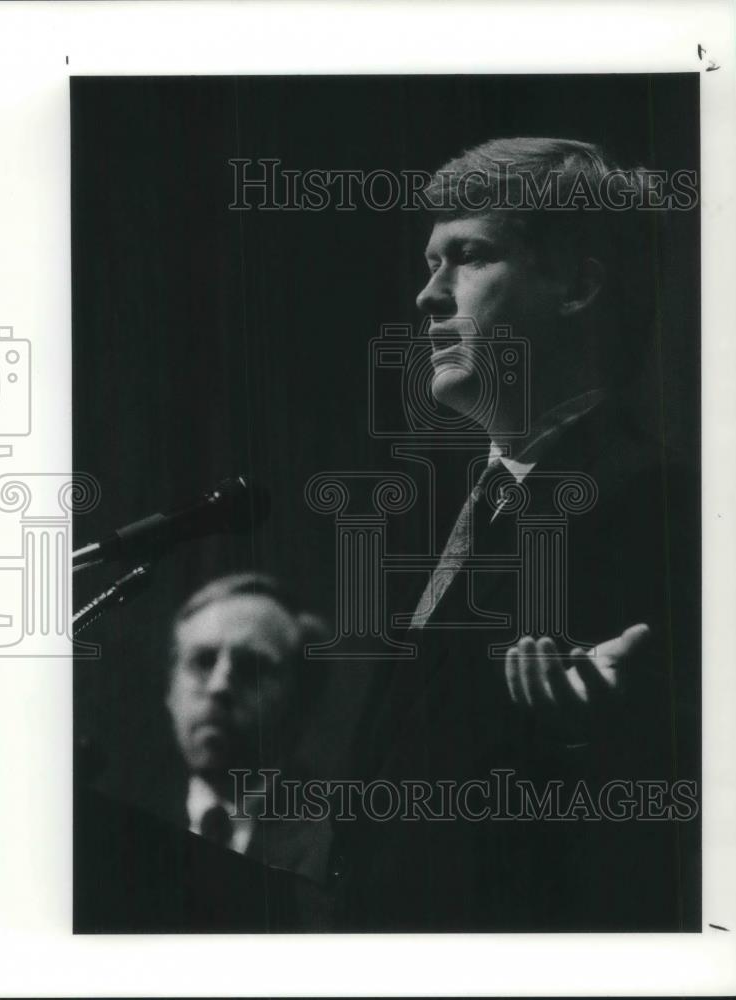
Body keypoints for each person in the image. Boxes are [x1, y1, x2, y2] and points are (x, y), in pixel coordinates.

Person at [330, 138, 700, 931]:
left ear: (576, 284)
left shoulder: (665, 509)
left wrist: (597, 744)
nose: (429, 296)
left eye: (468, 257)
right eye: (429, 262)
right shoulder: (447, 515)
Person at [165, 571, 332, 886]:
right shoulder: (117, 825)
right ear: (169, 690)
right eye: (202, 661)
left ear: (302, 698)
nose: (219, 687)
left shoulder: (331, 842)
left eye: (251, 667)